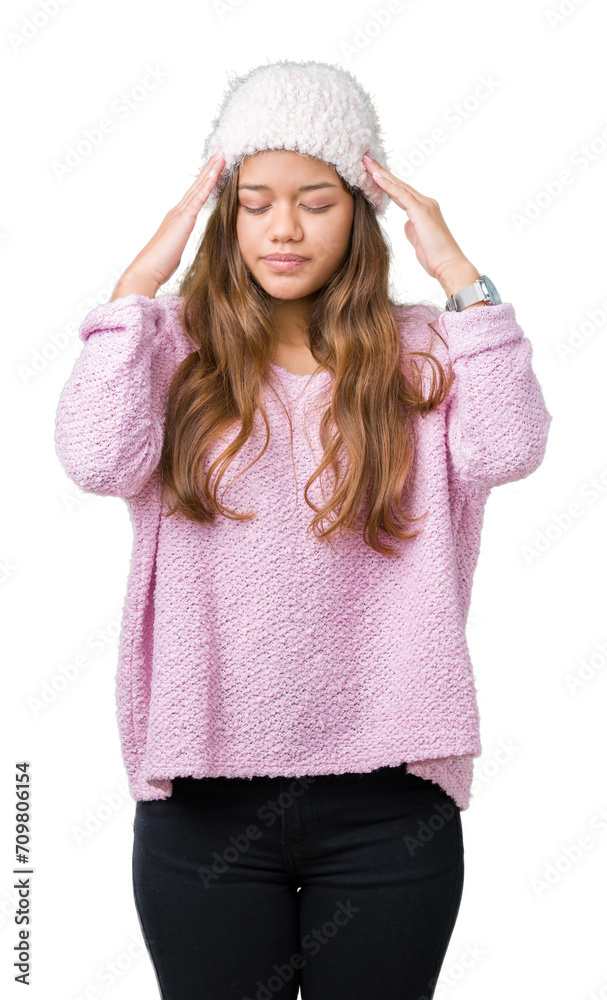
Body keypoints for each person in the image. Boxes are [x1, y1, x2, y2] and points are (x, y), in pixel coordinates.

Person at [54, 60, 553, 1000]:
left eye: (316, 200)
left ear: (360, 209)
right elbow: (93, 460)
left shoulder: (427, 354)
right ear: (224, 212)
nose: (283, 227)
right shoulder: (168, 350)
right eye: (255, 201)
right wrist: (135, 286)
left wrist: (459, 275)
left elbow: (511, 446)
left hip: (388, 800)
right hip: (202, 798)